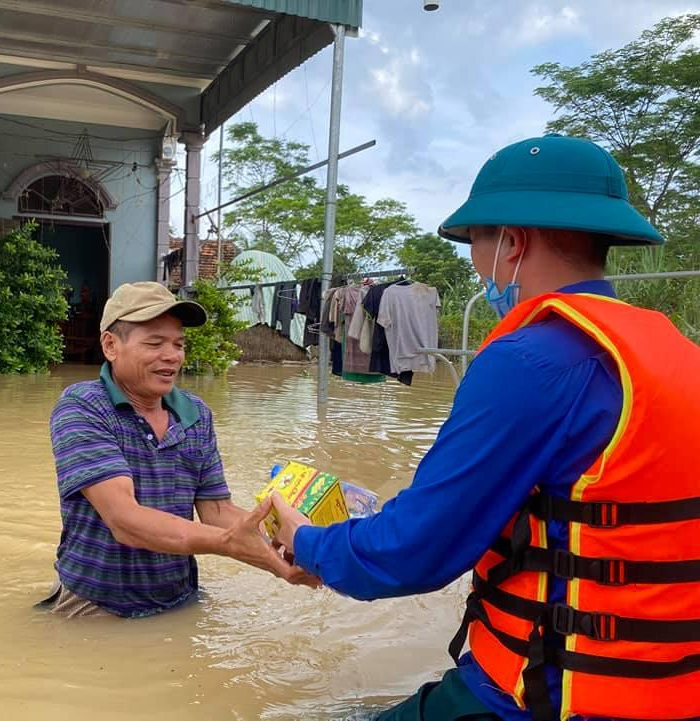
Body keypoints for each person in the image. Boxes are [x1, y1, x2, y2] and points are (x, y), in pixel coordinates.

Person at [269, 135, 700, 721]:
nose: (479, 267)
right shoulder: (671, 349)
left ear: (513, 244)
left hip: (548, 696)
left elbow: (414, 554)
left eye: (478, 243)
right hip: (670, 688)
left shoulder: (531, 360)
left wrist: (308, 542)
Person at [42, 281, 315, 619]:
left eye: (178, 344)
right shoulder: (83, 407)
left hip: (180, 596)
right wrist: (230, 543)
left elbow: (217, 511)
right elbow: (125, 521)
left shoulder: (195, 414)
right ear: (111, 346)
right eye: (155, 343)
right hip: (97, 603)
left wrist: (295, 544)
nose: (172, 356)